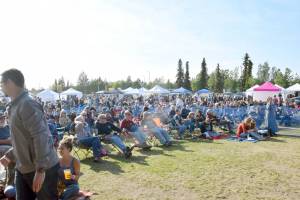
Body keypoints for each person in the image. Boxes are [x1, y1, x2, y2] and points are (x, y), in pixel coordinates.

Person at [0, 69, 59, 200]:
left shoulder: (27, 104)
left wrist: (40, 169)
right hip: (23, 168)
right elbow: (22, 139)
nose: (0, 85)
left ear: (9, 82)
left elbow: (41, 137)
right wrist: (9, 155)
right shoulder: (15, 105)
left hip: (42, 168)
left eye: (1, 82)